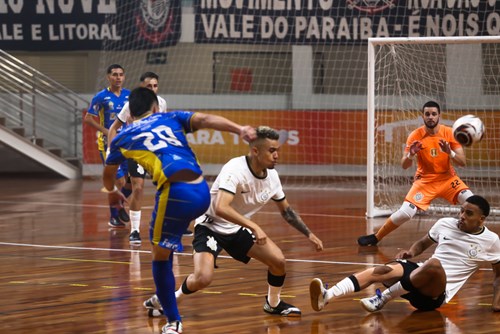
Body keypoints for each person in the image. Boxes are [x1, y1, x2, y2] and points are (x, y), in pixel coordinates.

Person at [102, 87, 256, 334]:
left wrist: (112, 190)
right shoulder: (170, 117)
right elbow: (206, 120)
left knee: (159, 257)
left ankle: (173, 321)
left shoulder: (122, 137)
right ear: (155, 108)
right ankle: (162, 298)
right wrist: (240, 130)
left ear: (130, 112)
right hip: (201, 190)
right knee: (168, 245)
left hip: (174, 194)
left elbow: (109, 174)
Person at [143, 126, 324, 318]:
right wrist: (254, 226)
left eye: (278, 150)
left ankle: (273, 304)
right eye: (272, 151)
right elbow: (221, 207)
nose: (277, 155)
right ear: (255, 151)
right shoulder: (235, 168)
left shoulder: (273, 177)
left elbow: (286, 211)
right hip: (210, 226)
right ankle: (169, 298)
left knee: (278, 261)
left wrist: (309, 234)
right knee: (203, 278)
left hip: (237, 228)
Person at [311, 195, 500, 313]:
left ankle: (382, 299)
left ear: (481, 219)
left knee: (434, 265)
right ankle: (328, 296)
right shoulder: (445, 224)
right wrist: (411, 252)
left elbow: (499, 275)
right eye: (461, 211)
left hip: (435, 295)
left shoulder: (491, 241)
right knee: (383, 269)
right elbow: (424, 242)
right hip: (419, 273)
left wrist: (496, 302)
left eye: (469, 214)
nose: (462, 216)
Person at [358, 100, 473, 246]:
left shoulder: (449, 133)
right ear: (423, 116)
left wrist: (449, 152)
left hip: (448, 179)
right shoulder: (415, 135)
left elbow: (462, 162)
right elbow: (404, 165)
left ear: (439, 115)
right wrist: (410, 155)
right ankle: (376, 237)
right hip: (424, 181)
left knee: (473, 202)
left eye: (433, 114)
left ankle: (479, 236)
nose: (430, 117)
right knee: (406, 213)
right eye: (427, 114)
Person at [107, 71, 179, 245]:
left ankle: (172, 228)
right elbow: (113, 128)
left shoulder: (161, 103)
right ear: (142, 87)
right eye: (149, 86)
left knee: (170, 187)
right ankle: (135, 231)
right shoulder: (131, 104)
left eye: (155, 86)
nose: (153, 89)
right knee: (138, 188)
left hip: (156, 152)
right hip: (137, 151)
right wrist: (111, 149)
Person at [84, 63, 131, 228]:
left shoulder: (129, 96)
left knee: (129, 183)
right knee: (118, 180)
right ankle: (115, 214)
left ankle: (118, 208)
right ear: (108, 77)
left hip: (127, 142)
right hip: (108, 143)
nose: (118, 77)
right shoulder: (101, 97)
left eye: (120, 74)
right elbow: (88, 119)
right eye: (114, 74)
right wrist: (107, 131)